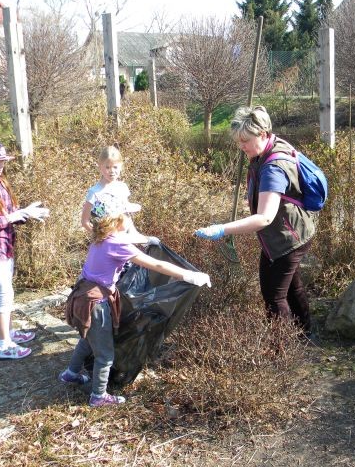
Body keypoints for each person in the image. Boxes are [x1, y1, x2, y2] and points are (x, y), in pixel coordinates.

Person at [59, 193, 211, 407]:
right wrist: (190, 276)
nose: (130, 218)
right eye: (127, 214)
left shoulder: (99, 236)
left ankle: (70, 373)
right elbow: (155, 265)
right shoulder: (117, 244)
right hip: (97, 305)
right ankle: (98, 396)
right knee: (105, 355)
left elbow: (125, 240)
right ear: (117, 219)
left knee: (87, 340)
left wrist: (147, 239)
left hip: (82, 298)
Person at [194, 106, 316, 338]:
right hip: (294, 230)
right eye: (239, 141)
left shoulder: (273, 168)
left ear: (262, 134)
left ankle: (281, 351)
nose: (241, 146)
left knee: (274, 296)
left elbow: (265, 217)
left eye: (245, 140)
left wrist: (221, 229)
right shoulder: (269, 147)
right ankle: (305, 335)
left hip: (287, 239)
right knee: (291, 286)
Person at [0, 140, 50, 360]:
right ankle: (4, 345)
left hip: (5, 246)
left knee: (8, 293)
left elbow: (9, 214)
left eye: (3, 160)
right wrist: (10, 217)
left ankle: (11, 333)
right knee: (4, 294)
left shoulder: (1, 183)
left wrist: (24, 213)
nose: (1, 165)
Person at [81, 146, 140, 236]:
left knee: (154, 243)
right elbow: (85, 221)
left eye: (115, 167)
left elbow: (126, 215)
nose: (112, 171)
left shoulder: (122, 188)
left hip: (125, 237)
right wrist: (100, 237)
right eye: (107, 167)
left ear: (121, 167)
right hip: (107, 242)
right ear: (100, 167)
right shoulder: (95, 193)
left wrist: (135, 234)